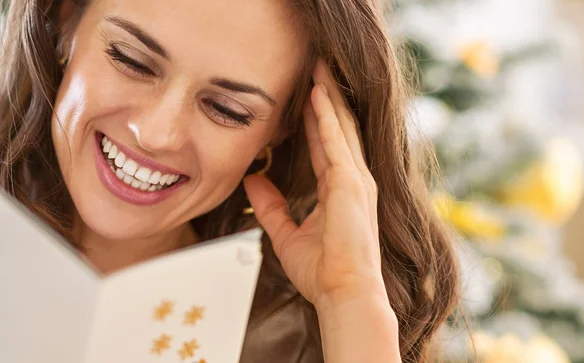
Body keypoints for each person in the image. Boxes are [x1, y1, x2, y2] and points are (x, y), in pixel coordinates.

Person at [0, 0, 459, 362]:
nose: (157, 134)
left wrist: (350, 301)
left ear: (283, 128)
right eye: (132, 60)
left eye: (226, 109)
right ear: (64, 20)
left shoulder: (290, 338)